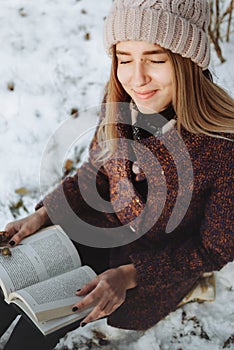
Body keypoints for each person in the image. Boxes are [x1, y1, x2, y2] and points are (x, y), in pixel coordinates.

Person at [1, 0, 233, 349]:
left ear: (188, 62)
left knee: (33, 331)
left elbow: (212, 248)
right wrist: (44, 214)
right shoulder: (122, 101)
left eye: (156, 59)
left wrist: (130, 276)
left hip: (149, 266)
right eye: (124, 59)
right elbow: (97, 168)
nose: (136, 78)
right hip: (97, 228)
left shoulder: (223, 146)